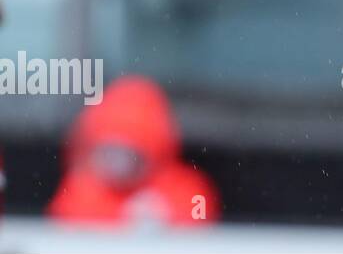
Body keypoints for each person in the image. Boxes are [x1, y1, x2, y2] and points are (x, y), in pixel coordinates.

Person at [47, 75, 220, 226]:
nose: (116, 162)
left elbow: (201, 219)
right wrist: (122, 218)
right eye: (108, 150)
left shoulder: (185, 188)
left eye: (127, 152)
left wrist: (165, 217)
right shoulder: (81, 187)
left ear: (150, 153)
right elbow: (66, 223)